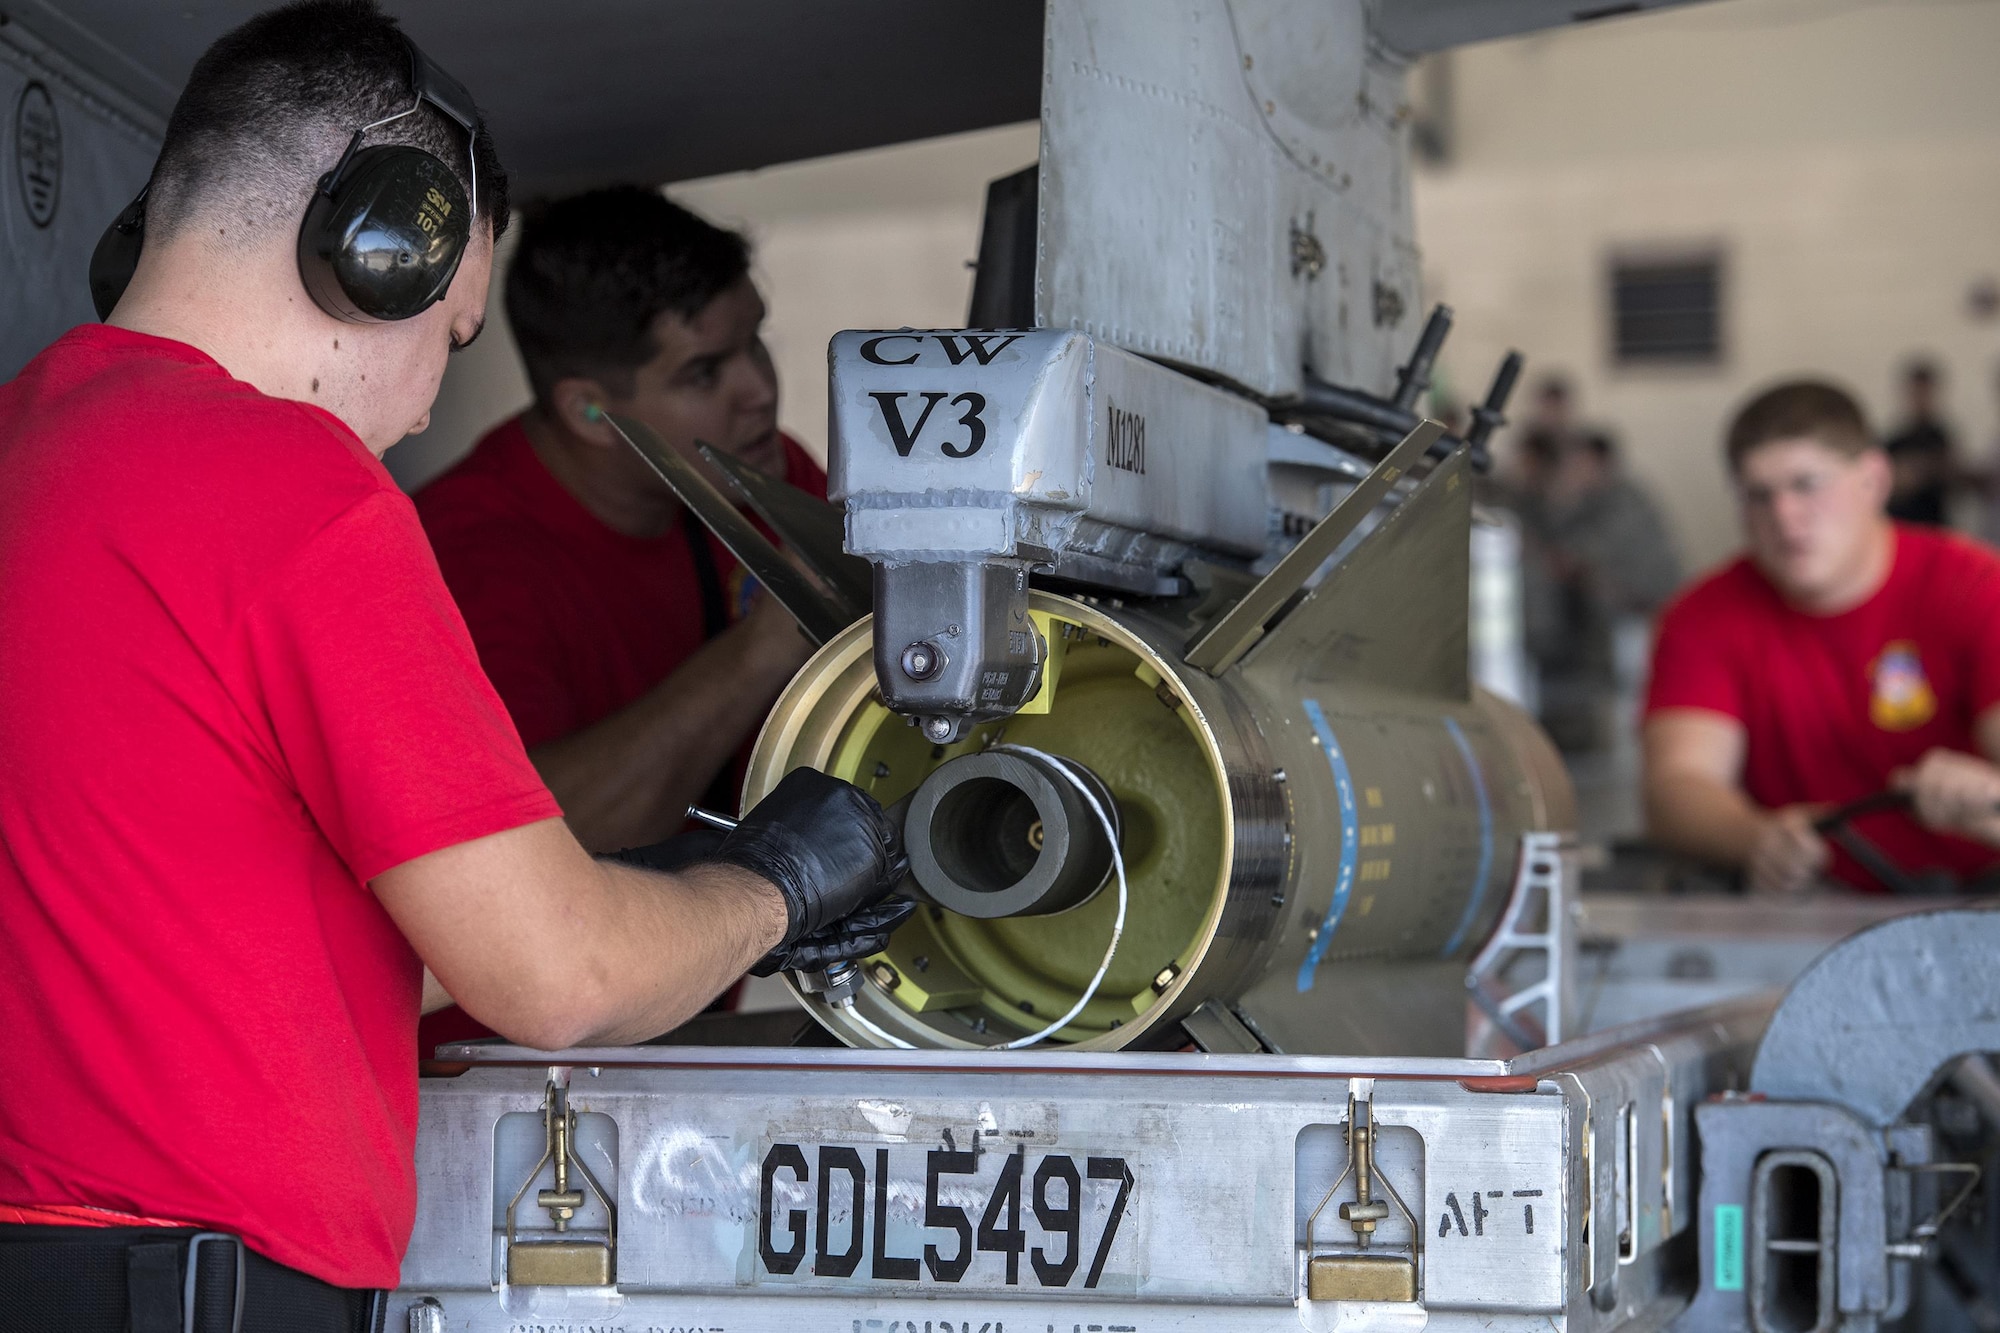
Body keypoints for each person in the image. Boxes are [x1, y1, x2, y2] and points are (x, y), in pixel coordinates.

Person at [0, 4, 906, 1324]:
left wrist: (646, 880)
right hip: (191, 1286)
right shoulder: (297, 491)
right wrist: (780, 885)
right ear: (372, 251)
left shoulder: (34, 449)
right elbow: (556, 981)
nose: (429, 401)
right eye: (452, 331)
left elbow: (259, 936)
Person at [416, 188, 818, 859]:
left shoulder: (763, 478)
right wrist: (766, 646)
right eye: (704, 372)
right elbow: (528, 846)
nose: (759, 390)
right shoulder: (464, 559)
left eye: (757, 341)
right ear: (590, 412)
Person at [1643, 379, 2000, 895]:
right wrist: (1753, 837)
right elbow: (1677, 787)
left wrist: (1986, 801)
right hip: (1803, 909)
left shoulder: (1976, 588)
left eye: (1807, 485)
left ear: (1873, 480)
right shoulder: (1703, 615)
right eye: (1759, 495)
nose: (1785, 517)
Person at [1883, 357, 1957, 526]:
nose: (1920, 399)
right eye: (1916, 392)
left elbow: (1951, 478)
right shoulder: (1896, 439)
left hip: (1933, 524)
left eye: (1924, 392)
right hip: (1902, 523)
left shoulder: (1941, 437)